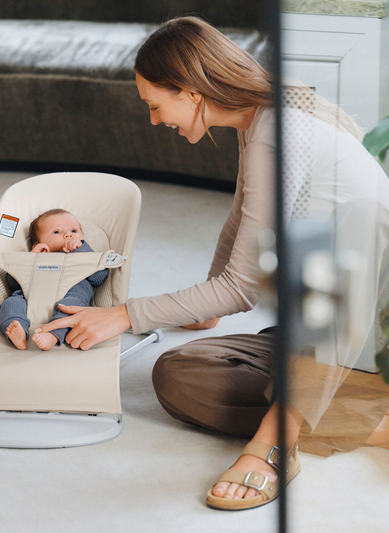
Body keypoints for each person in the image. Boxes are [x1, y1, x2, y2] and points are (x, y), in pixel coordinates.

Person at [34, 16, 389, 510]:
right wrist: (206, 307)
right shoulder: (258, 120)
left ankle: (275, 442)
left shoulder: (279, 129)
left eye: (155, 105)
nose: (155, 120)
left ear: (190, 92)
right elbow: (242, 217)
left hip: (367, 329)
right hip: (327, 339)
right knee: (180, 374)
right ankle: (358, 413)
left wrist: (124, 315)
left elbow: (243, 288)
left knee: (341, 251)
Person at [0, 208, 108, 351]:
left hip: (69, 298)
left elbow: (99, 278)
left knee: (72, 307)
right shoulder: (35, 257)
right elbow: (13, 282)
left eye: (74, 231)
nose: (68, 234)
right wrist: (30, 259)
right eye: (57, 232)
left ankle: (53, 335)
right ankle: (18, 330)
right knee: (11, 303)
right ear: (37, 244)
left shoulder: (86, 257)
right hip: (30, 299)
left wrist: (82, 251)